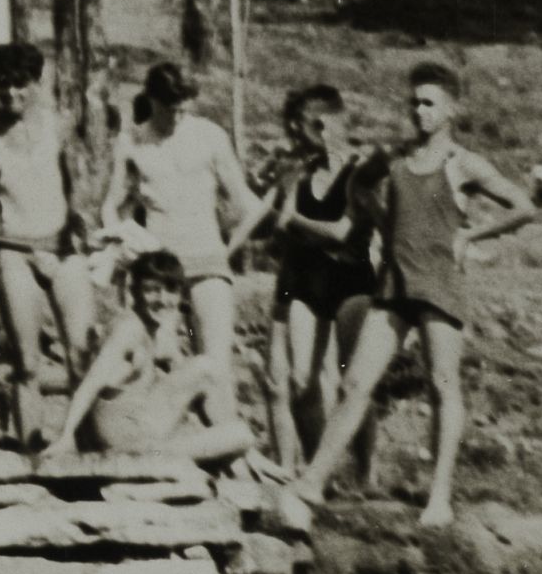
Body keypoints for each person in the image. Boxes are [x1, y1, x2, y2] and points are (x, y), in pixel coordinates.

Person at [279, 63, 533, 532]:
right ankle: (313, 482)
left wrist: (472, 235)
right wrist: (377, 215)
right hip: (394, 284)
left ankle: (439, 497)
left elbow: (524, 207)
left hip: (438, 286)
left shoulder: (462, 163)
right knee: (355, 382)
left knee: (442, 383)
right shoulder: (393, 156)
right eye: (413, 102)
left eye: (429, 103)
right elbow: (357, 184)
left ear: (452, 108)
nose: (418, 111)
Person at [100, 61, 257, 426]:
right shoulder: (132, 142)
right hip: (159, 267)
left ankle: (227, 456)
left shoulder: (210, 136)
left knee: (216, 367)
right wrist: (117, 237)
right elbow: (112, 204)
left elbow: (246, 204)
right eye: (170, 107)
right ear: (152, 100)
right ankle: (172, 449)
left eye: (184, 106)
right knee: (159, 361)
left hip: (207, 259)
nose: (177, 115)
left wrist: (227, 250)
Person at [0, 41, 98, 450]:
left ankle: (87, 448)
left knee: (82, 356)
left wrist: (77, 226)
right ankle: (31, 453)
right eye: (3, 84)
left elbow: (78, 185)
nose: (11, 94)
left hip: (61, 248)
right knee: (26, 364)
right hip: (15, 249)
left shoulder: (62, 124)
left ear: (38, 83)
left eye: (20, 85)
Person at [244, 84, 375, 471]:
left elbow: (342, 232)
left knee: (353, 380)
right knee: (301, 380)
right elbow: (270, 231)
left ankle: (366, 470)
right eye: (294, 126)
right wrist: (268, 198)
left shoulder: (358, 169)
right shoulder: (297, 168)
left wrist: (291, 220)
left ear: (325, 123)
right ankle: (322, 470)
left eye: (302, 125)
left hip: (350, 279)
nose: (295, 134)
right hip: (305, 278)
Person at [46, 250, 256, 467]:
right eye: (151, 290)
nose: (162, 300)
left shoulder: (149, 327)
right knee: (241, 435)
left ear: (181, 293)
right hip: (130, 447)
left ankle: (241, 460)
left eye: (171, 291)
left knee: (204, 366)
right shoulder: (128, 330)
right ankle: (241, 461)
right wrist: (66, 437)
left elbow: (187, 378)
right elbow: (90, 384)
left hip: (141, 427)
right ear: (135, 291)